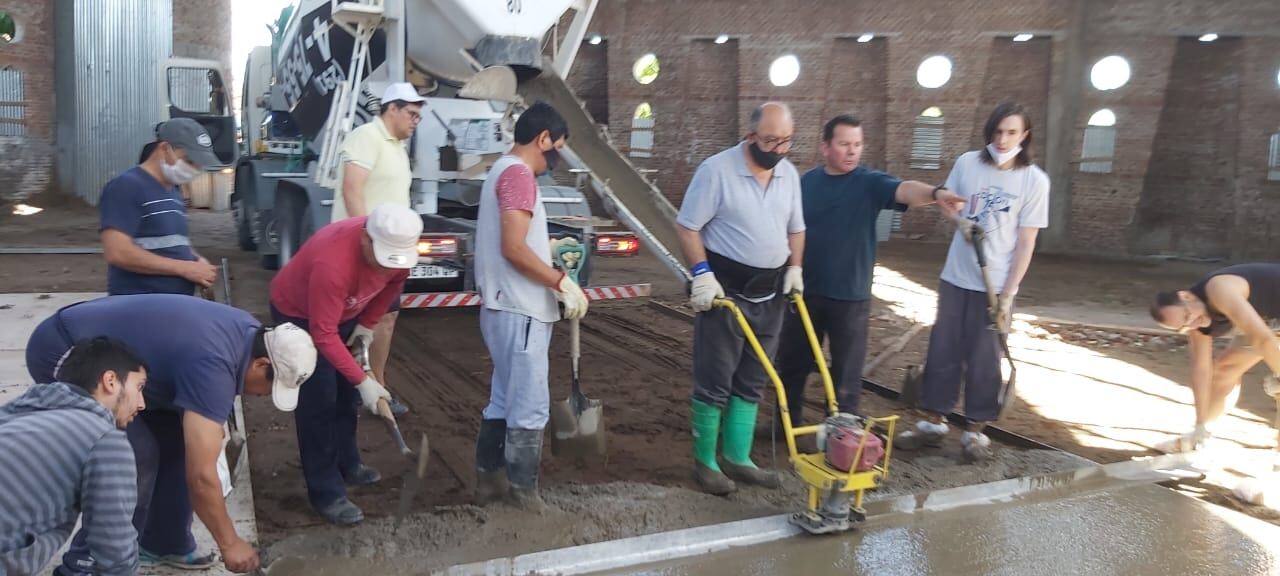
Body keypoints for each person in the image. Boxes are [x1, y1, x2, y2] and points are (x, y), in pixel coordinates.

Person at [25, 294, 317, 574]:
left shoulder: (249, 335)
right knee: (133, 457)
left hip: (125, 365)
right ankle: (85, 565)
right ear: (261, 363)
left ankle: (164, 541)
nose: (264, 395)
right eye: (270, 386)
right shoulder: (214, 367)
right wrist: (230, 542)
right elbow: (202, 478)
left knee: (177, 442)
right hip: (66, 349)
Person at [775, 114, 964, 426]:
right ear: (825, 147)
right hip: (804, 291)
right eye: (844, 144)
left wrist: (936, 193)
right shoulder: (805, 183)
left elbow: (904, 190)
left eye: (857, 144)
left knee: (847, 373)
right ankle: (784, 425)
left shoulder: (869, 183)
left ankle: (841, 432)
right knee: (793, 364)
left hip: (851, 296)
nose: (852, 151)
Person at [894, 101, 1050, 463]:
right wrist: (959, 222)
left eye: (1011, 132)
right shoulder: (968, 163)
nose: (1002, 138)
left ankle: (976, 430)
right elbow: (948, 203)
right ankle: (933, 421)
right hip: (956, 277)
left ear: (1024, 136)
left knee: (984, 358)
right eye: (997, 131)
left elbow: (1027, 242)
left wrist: (1008, 295)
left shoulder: (1034, 181)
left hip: (994, 286)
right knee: (944, 349)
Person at [675, 102, 805, 495]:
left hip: (771, 294)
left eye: (785, 142)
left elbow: (796, 229)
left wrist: (795, 269)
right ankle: (706, 462)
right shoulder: (716, 171)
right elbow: (687, 227)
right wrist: (702, 275)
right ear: (750, 137)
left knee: (752, 379)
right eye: (770, 141)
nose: (778, 149)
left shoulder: (789, 174)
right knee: (716, 378)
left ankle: (738, 457)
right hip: (726, 294)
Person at [269, 203, 422, 525]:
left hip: (348, 314)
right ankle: (326, 492)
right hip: (300, 315)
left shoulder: (400, 251)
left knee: (345, 396)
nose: (384, 269)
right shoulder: (333, 261)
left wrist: (367, 324)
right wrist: (364, 380)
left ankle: (347, 462)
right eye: (379, 260)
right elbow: (323, 334)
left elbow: (393, 285)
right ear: (366, 237)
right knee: (319, 400)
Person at [472, 101, 588, 512]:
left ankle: (490, 482)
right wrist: (560, 281)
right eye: (556, 147)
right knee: (529, 404)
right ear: (542, 139)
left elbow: (518, 241)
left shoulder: (501, 171)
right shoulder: (520, 176)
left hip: (503, 306)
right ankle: (524, 493)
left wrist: (547, 250)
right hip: (520, 309)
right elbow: (513, 248)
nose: (555, 156)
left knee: (504, 397)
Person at [0, 338, 146, 576]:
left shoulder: (14, 414)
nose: (142, 404)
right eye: (139, 387)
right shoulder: (104, 439)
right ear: (110, 381)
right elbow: (114, 551)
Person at [333, 82, 427, 417]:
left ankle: (377, 388)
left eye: (418, 115)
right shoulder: (366, 137)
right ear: (391, 109)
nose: (416, 121)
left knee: (385, 319)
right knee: (347, 323)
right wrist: (367, 241)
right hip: (362, 251)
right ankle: (350, 390)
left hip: (388, 253)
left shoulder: (398, 148)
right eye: (412, 114)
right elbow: (352, 189)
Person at [1149, 263, 1280, 455]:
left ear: (1186, 296)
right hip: (1268, 321)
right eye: (1183, 326)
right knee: (1226, 369)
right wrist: (1200, 424)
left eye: (1188, 315)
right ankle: (1202, 437)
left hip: (1268, 326)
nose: (1192, 323)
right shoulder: (1196, 324)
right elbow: (1201, 369)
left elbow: (1263, 339)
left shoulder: (1220, 289)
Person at [100, 118, 220, 296]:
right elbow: (118, 252)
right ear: (164, 149)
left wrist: (195, 259)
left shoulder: (173, 192)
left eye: (198, 164)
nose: (194, 169)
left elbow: (169, 241)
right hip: (141, 304)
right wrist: (184, 268)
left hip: (170, 304)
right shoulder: (127, 187)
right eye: (188, 160)